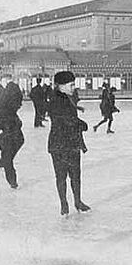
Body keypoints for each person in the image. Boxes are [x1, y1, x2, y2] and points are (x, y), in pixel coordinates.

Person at [47, 71, 90, 215]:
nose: (73, 88)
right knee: (61, 176)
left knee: (75, 174)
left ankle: (77, 202)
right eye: (71, 85)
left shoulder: (65, 97)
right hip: (60, 144)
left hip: (70, 143)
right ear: (61, 86)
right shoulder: (55, 99)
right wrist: (82, 124)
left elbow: (69, 115)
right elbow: (65, 119)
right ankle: (64, 204)